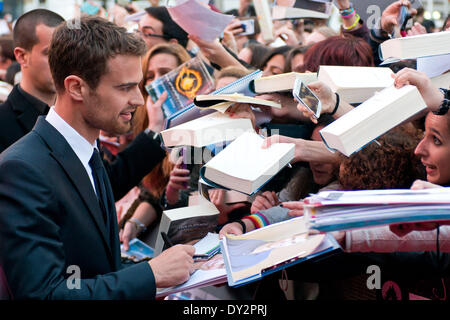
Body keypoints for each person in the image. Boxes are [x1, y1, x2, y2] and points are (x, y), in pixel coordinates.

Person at [0, 16, 195, 300]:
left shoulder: (87, 150)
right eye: (124, 88)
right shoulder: (22, 169)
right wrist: (150, 275)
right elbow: (43, 294)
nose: (139, 100)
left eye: (137, 86)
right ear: (76, 87)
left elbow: (98, 269)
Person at [0, 9, 64, 153]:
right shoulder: (3, 124)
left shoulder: (78, 117)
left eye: (67, 52)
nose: (62, 62)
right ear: (22, 56)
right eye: (50, 53)